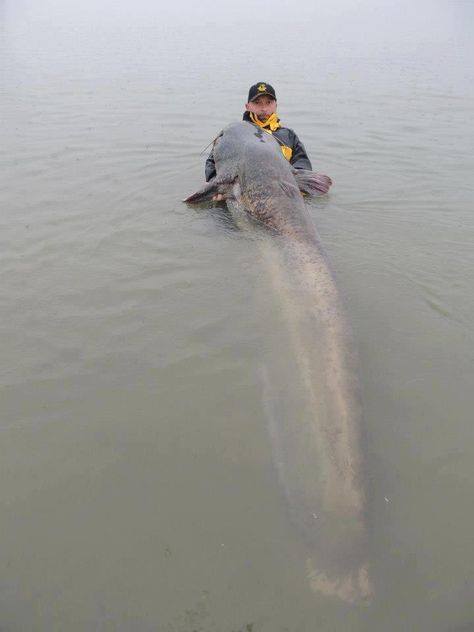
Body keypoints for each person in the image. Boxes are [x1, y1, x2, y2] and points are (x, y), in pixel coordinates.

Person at [205, 82, 313, 202]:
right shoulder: (234, 134)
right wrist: (216, 186)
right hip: (242, 195)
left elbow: (302, 164)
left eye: (269, 102)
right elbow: (213, 161)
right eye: (257, 103)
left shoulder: (289, 136)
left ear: (276, 105)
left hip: (282, 198)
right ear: (247, 106)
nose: (264, 108)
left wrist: (295, 189)